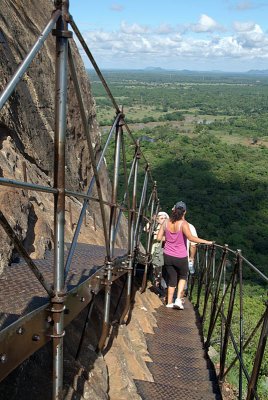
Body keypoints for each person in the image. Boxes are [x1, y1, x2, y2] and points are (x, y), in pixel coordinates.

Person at [157, 201, 213, 309]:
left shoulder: (166, 222)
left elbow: (159, 238)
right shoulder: (184, 224)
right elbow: (191, 238)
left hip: (168, 255)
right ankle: (178, 300)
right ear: (185, 212)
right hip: (180, 256)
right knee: (183, 277)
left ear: (174, 210)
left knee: (172, 279)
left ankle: (169, 302)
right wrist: (207, 242)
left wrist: (169, 239)